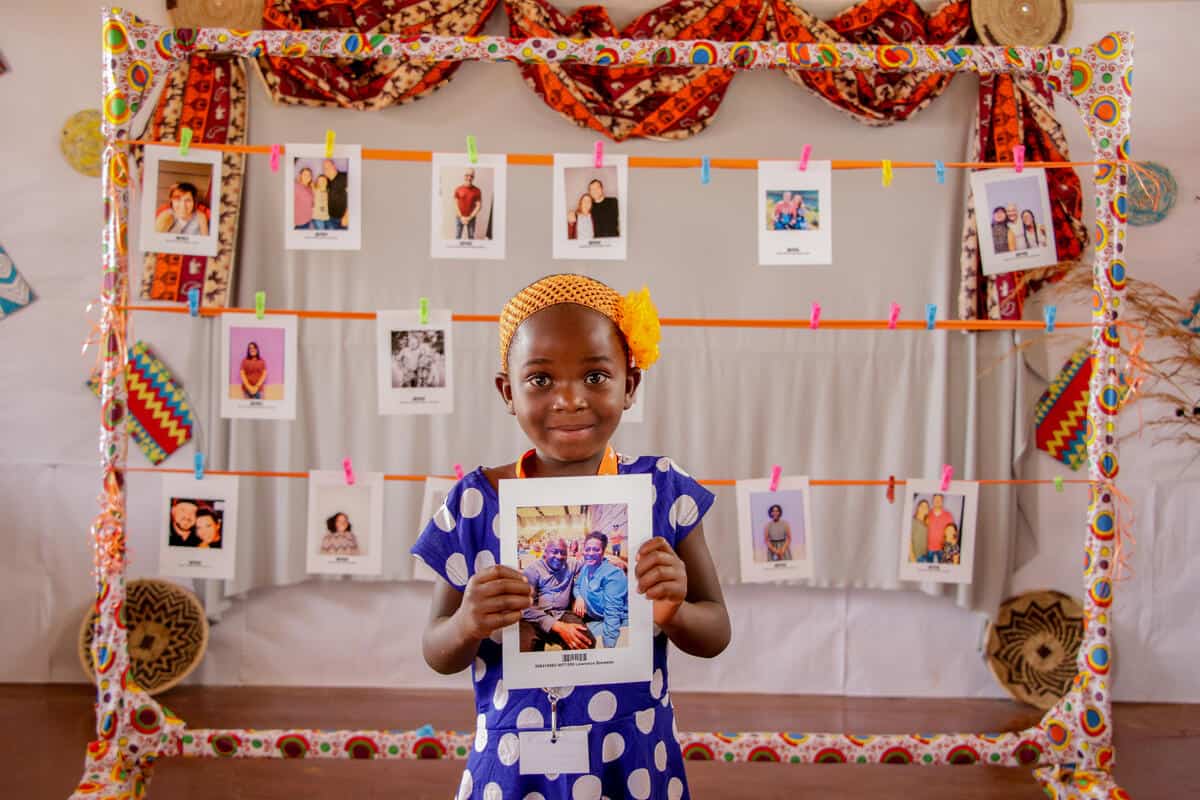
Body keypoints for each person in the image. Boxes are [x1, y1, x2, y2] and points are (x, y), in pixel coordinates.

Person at [413, 273, 729, 799]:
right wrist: (468, 622)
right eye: (540, 380)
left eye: (595, 377)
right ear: (506, 391)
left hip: (632, 753)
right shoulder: (474, 503)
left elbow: (716, 631)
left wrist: (672, 610)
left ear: (629, 385)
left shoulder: (663, 491)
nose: (569, 400)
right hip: (516, 760)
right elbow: (436, 649)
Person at [519, 537, 594, 652]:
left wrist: (612, 560)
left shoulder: (571, 564)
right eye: (554, 552)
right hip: (535, 617)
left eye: (563, 553)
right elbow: (525, 607)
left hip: (562, 613)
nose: (559, 556)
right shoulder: (532, 570)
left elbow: (591, 561)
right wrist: (556, 625)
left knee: (585, 642)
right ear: (545, 552)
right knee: (526, 651)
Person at [572, 531, 629, 648]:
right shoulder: (586, 568)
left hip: (616, 622)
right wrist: (579, 597)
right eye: (587, 549)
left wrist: (609, 648)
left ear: (603, 552)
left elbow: (612, 614)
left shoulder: (613, 574)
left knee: (577, 636)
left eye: (595, 550)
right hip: (596, 619)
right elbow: (577, 586)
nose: (590, 553)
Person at [454, 168, 483, 240]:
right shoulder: (458, 189)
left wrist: (469, 218)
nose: (469, 178)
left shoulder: (477, 190)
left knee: (471, 237)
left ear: (473, 177)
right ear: (464, 176)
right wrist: (461, 217)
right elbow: (455, 204)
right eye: (467, 175)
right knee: (458, 236)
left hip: (471, 218)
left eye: (471, 176)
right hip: (459, 217)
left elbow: (479, 206)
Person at [322, 159, 349, 230]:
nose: (327, 170)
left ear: (334, 166)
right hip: (329, 218)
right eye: (325, 168)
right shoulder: (327, 181)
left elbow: (354, 197)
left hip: (343, 219)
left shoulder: (345, 177)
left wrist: (347, 216)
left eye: (328, 167)